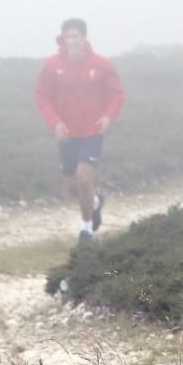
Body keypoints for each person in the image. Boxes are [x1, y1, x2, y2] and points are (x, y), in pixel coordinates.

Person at [35, 18, 124, 243]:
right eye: (68, 37)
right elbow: (42, 96)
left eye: (76, 36)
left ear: (84, 38)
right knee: (72, 186)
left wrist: (108, 116)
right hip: (66, 134)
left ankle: (86, 230)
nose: (72, 41)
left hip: (92, 131)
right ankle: (94, 203)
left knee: (84, 179)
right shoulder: (53, 65)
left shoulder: (101, 65)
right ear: (63, 40)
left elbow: (117, 94)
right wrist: (54, 122)